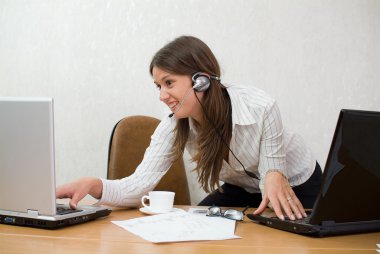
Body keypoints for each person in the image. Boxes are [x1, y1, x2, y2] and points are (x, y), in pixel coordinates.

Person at [57, 35, 322, 221]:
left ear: (201, 81)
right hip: (240, 188)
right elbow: (139, 185)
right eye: (158, 86)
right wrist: (94, 184)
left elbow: (272, 178)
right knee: (198, 222)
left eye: (169, 83)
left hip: (296, 182)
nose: (162, 95)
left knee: (287, 236)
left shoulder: (261, 107)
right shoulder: (174, 124)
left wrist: (274, 180)